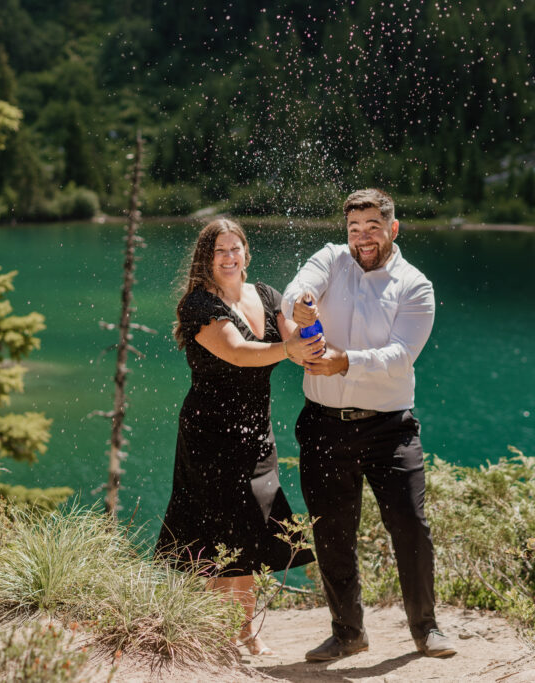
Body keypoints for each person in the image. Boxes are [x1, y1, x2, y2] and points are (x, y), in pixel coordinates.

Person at [281, 189, 456, 661]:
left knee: (411, 527)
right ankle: (348, 632)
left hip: (390, 430)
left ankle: (426, 629)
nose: (363, 238)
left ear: (393, 229)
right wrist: (300, 304)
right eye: (355, 229)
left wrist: (345, 363)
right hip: (322, 426)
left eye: (373, 228)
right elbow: (300, 286)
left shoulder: (415, 285)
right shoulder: (332, 260)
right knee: (332, 533)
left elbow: (401, 356)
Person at [157, 218, 321, 657]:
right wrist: (289, 351)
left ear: (247, 253)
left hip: (256, 432)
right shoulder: (198, 305)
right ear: (206, 259)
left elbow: (295, 339)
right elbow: (237, 352)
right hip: (210, 434)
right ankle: (214, 632)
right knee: (216, 531)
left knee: (249, 526)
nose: (229, 258)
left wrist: (308, 328)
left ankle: (244, 629)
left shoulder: (265, 295)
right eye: (219, 251)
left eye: (236, 249)